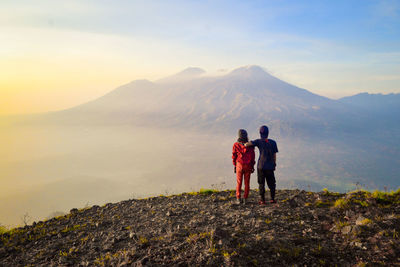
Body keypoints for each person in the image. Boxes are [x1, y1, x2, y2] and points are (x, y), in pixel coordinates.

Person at [245, 125, 278, 205]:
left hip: (261, 166)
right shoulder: (273, 142)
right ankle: (272, 199)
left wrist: (246, 141)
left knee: (261, 183)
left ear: (260, 133)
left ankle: (262, 200)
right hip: (270, 166)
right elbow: (274, 155)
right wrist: (274, 164)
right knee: (271, 183)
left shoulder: (258, 141)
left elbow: (247, 145)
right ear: (268, 133)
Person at [232, 129, 255, 204]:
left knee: (239, 182)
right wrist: (252, 166)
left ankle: (238, 198)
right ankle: (245, 198)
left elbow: (234, 156)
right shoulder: (250, 145)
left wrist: (235, 165)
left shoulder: (236, 145)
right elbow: (252, 157)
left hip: (239, 165)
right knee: (247, 182)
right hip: (248, 165)